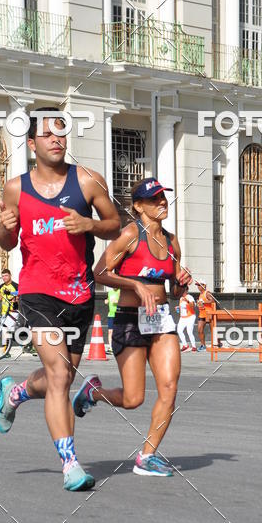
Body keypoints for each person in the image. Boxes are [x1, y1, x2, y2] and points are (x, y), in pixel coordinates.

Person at [0, 107, 120, 492]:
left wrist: (90, 224)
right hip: (37, 292)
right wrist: (4, 228)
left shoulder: (88, 181)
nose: (56, 139)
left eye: (61, 133)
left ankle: (15, 393)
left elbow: (116, 225)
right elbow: (6, 243)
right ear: (32, 143)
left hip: (79, 293)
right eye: (47, 134)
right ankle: (70, 465)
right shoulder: (15, 188)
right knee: (60, 376)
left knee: (57, 379)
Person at [72, 178, 191, 477]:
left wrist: (182, 284)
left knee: (170, 388)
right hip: (129, 319)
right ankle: (93, 393)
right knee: (133, 399)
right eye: (154, 199)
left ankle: (147, 456)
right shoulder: (129, 235)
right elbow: (99, 272)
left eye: (163, 197)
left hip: (161, 320)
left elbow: (175, 290)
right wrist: (135, 285)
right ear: (138, 206)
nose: (162, 202)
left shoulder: (172, 241)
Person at [0, 268, 19, 347]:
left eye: (6, 275)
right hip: (4, 312)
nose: (4, 277)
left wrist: (16, 299)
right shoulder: (1, 286)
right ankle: (7, 348)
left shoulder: (16, 286)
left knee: (6, 329)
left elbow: (20, 296)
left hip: (13, 311)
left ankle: (6, 349)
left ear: (10, 276)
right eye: (3, 276)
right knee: (6, 330)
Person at [196, 280, 215, 351]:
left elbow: (212, 301)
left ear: (204, 285)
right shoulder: (200, 294)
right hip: (202, 313)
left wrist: (203, 302)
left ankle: (217, 343)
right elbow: (201, 303)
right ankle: (203, 345)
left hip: (209, 313)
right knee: (199, 329)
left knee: (213, 330)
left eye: (199, 285)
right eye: (197, 285)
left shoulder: (207, 293)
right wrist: (198, 303)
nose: (198, 287)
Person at [104, 286, 120, 354]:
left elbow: (124, 301)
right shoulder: (110, 292)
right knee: (110, 331)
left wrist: (117, 301)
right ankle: (111, 347)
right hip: (110, 314)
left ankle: (118, 346)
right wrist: (106, 301)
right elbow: (108, 300)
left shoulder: (120, 291)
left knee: (117, 331)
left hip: (118, 314)